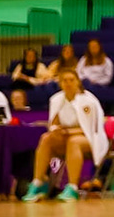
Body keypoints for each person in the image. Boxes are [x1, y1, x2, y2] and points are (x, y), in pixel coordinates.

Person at [21, 69, 108, 200]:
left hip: (91, 139)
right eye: (64, 80)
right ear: (60, 83)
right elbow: (54, 123)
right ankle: (38, 182)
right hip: (67, 137)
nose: (68, 83)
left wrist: (68, 132)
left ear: (78, 82)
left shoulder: (88, 101)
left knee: (74, 141)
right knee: (46, 138)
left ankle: (72, 187)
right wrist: (55, 131)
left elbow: (91, 129)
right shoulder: (56, 99)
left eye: (71, 80)